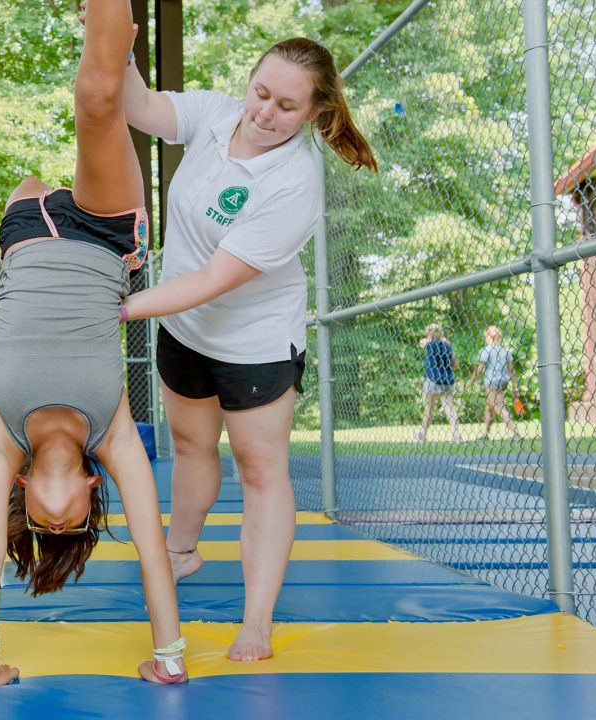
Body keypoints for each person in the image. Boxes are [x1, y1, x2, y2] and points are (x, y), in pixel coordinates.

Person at [118, 37, 377, 661]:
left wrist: (116, 308)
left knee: (260, 473)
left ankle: (256, 619)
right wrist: (117, 44)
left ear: (315, 113)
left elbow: (212, 279)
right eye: (261, 93)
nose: (264, 113)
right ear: (250, 81)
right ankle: (181, 550)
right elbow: (139, 108)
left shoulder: (294, 183)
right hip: (185, 329)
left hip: (253, 343)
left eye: (287, 106)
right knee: (188, 445)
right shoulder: (216, 115)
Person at [0, 0, 186, 690]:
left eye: (41, 525)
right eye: (73, 526)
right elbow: (152, 548)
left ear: (23, 492)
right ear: (93, 489)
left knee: (74, 125)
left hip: (26, 225)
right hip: (105, 236)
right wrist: (168, 658)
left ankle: (116, 39)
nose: (56, 521)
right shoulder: (115, 435)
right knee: (98, 98)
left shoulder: (1, 441)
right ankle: (113, 35)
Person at [467, 325, 522, 441]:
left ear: (488, 337)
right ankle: (485, 434)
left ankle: (515, 432)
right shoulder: (505, 351)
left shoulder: (486, 350)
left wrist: (470, 381)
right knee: (489, 407)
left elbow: (480, 369)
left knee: (497, 406)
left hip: (491, 382)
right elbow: (511, 371)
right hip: (503, 382)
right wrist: (514, 388)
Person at [416, 323, 461, 443]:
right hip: (447, 379)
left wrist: (428, 340)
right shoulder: (447, 345)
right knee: (449, 408)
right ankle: (457, 435)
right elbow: (455, 364)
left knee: (428, 409)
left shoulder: (429, 344)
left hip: (432, 379)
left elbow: (421, 343)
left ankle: (422, 435)